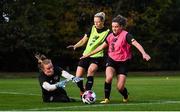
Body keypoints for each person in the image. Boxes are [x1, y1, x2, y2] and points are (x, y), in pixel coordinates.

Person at [80, 15, 151, 103]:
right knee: (109, 77)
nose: (114, 28)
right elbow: (101, 47)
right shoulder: (110, 36)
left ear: (121, 27)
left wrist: (144, 53)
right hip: (112, 60)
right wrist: (88, 54)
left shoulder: (126, 35)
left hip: (123, 62)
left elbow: (136, 44)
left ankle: (125, 95)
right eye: (113, 26)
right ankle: (107, 99)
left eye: (116, 27)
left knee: (120, 87)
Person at [67, 12, 110, 97]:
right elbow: (83, 40)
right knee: (77, 77)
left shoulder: (108, 32)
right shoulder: (92, 28)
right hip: (85, 55)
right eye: (94, 22)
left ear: (103, 21)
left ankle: (87, 93)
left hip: (97, 56)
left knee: (90, 71)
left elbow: (103, 46)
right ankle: (82, 90)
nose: (96, 23)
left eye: (98, 22)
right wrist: (76, 45)